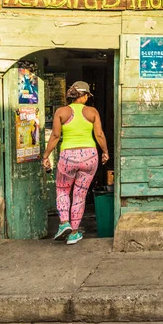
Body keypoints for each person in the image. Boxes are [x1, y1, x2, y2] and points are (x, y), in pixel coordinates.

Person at [42, 81, 109, 245]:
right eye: (87, 95)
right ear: (84, 96)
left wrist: (46, 156)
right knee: (80, 195)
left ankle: (64, 223)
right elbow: (99, 134)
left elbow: (56, 136)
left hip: (68, 157)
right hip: (89, 156)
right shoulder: (92, 112)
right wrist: (105, 152)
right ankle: (74, 233)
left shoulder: (62, 112)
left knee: (63, 191)